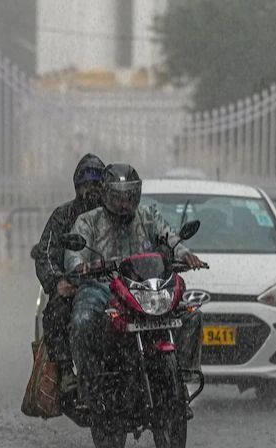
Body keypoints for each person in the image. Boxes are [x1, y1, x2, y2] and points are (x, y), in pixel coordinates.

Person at [64, 163, 206, 410]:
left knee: (191, 316)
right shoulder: (88, 220)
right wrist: (79, 265)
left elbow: (170, 238)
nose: (124, 203)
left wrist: (185, 254)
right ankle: (89, 385)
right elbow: (75, 253)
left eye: (129, 195)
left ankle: (182, 377)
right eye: (118, 196)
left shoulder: (149, 214)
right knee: (83, 320)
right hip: (103, 287)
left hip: (145, 288)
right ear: (106, 195)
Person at [31, 153, 106, 376]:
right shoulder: (63, 216)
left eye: (97, 184)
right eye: (87, 185)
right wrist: (58, 282)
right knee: (56, 313)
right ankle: (65, 373)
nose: (92, 190)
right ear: (77, 187)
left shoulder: (117, 214)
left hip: (115, 286)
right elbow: (46, 254)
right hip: (77, 287)